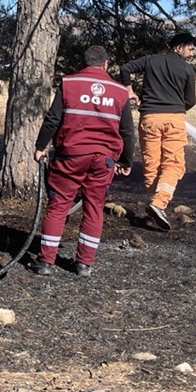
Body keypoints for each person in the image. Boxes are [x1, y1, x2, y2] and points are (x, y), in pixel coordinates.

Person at [31, 45, 135, 278]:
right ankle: (84, 265)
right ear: (106, 64)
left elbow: (53, 119)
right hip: (104, 160)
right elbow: (127, 131)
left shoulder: (69, 83)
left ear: (85, 63)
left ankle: (46, 262)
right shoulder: (120, 91)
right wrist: (126, 160)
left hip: (70, 156)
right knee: (94, 208)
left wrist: (40, 147)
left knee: (58, 206)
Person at [118, 32, 196, 229]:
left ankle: (156, 205)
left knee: (152, 164)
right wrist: (175, 107)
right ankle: (159, 203)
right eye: (190, 47)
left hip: (149, 119)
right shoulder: (187, 70)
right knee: (174, 164)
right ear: (178, 47)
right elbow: (191, 101)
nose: (193, 51)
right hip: (174, 120)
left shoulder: (151, 60)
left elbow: (125, 68)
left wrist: (129, 90)